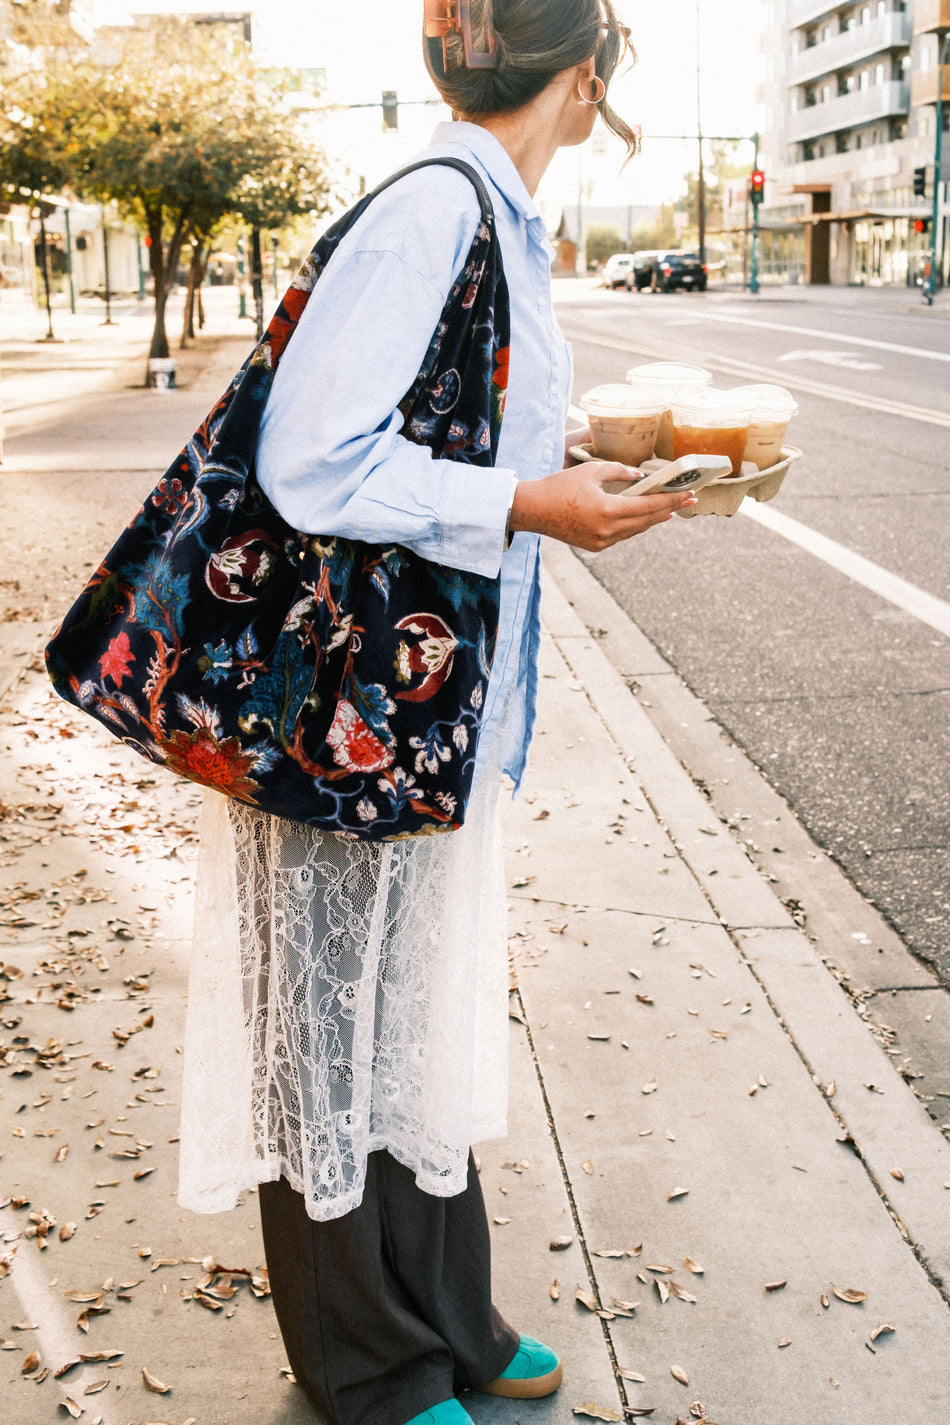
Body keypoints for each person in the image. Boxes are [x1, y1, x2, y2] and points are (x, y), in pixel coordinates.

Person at [177, 4, 697, 1423]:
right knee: (324, 1031)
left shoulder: (496, 216)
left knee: (406, 1016)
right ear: (582, 80)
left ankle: (446, 1315)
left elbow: (445, 422)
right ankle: (370, 1362)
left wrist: (592, 456)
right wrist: (534, 500)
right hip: (340, 716)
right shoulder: (434, 210)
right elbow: (312, 458)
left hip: (422, 712)